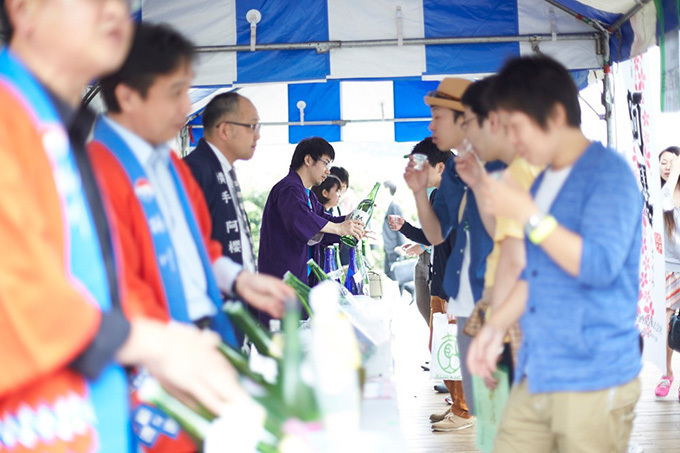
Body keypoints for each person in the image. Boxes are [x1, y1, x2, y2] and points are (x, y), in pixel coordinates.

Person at [0, 2, 244, 452]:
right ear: (24, 9)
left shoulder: (51, 126)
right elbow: (14, 287)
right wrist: (150, 340)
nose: (116, 11)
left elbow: (96, 281)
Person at [88, 22, 291, 450]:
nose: (187, 106)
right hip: (155, 352)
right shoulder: (97, 170)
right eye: (176, 91)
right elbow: (113, 284)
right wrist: (167, 346)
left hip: (204, 333)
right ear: (127, 95)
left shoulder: (175, 167)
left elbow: (204, 248)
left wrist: (239, 279)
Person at [468, 56, 641, 452]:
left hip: (593, 377)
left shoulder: (609, 175)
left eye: (516, 126)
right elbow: (538, 274)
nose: (512, 140)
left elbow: (597, 266)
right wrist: (495, 328)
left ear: (556, 113)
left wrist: (528, 215)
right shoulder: (543, 179)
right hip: (539, 367)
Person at [404, 77, 503, 431]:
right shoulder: (453, 175)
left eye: (437, 115)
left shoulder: (502, 163)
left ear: (465, 118)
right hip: (463, 298)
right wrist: (417, 193)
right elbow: (436, 234)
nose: (430, 125)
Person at [455, 76, 542, 373]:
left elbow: (515, 260)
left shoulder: (519, 174)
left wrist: (494, 331)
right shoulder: (528, 166)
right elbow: (502, 235)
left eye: (467, 121)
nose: (464, 131)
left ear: (492, 120)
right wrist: (479, 183)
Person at [389, 138, 469, 428]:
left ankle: (464, 411)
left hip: (454, 284)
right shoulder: (438, 195)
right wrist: (406, 228)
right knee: (442, 347)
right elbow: (434, 237)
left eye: (421, 167)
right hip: (440, 280)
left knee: (454, 348)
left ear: (440, 166)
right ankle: (458, 405)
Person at [258, 137, 364, 321]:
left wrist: (350, 222)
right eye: (326, 163)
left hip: (300, 279)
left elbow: (325, 222)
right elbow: (302, 221)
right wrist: (340, 228)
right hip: (282, 282)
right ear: (308, 160)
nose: (328, 170)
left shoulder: (307, 195)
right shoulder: (289, 188)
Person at [184, 92, 260, 275]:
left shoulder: (224, 168)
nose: (257, 136)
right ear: (225, 130)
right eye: (252, 126)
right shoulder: (194, 170)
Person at [656, 146, 680, 398]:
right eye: (663, 161)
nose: (667, 166)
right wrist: (674, 174)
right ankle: (667, 373)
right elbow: (665, 202)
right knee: (667, 325)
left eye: (672, 162)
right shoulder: (658, 193)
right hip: (668, 268)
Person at [382, 180, 406, 280]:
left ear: (388, 190)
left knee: (396, 277)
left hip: (394, 248)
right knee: (389, 275)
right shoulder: (390, 205)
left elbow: (400, 227)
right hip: (389, 248)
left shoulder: (394, 206)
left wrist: (401, 247)